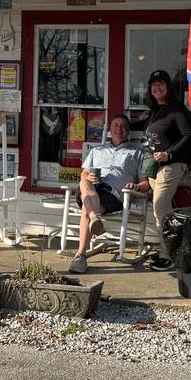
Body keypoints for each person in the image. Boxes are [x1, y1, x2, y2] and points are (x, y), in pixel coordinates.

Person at [68, 114, 148, 274]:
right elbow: (83, 173)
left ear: (128, 131)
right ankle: (94, 218)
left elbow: (146, 184)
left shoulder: (138, 153)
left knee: (87, 208)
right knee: (84, 182)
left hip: (114, 195)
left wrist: (136, 186)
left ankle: (80, 256)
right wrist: (88, 176)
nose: (119, 128)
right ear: (110, 129)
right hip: (92, 189)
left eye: (123, 126)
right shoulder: (97, 150)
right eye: (116, 125)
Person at [143, 70, 191, 265]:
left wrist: (169, 154)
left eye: (161, 84)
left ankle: (169, 255)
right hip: (154, 166)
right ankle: (172, 249)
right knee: (163, 210)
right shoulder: (155, 110)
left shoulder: (177, 109)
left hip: (172, 165)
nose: (157, 87)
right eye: (154, 84)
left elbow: (189, 135)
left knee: (160, 207)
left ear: (168, 87)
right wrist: (120, 122)